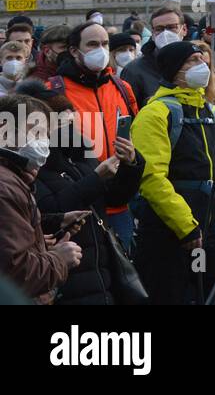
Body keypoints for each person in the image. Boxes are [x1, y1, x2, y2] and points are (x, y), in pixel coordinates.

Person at [131, 41, 215, 305]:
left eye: (202, 60)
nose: (201, 66)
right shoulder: (155, 114)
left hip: (213, 231)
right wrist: (187, 228)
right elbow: (152, 178)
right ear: (174, 70)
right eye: (192, 61)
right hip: (171, 235)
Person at [20, 78, 143, 305]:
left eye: (71, 120)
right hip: (65, 276)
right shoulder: (33, 164)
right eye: (60, 122)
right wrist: (97, 178)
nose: (69, 129)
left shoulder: (80, 154)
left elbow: (114, 198)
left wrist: (131, 165)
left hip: (100, 271)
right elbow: (50, 210)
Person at [48, 21, 139, 249]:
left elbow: (135, 137)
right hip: (80, 207)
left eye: (105, 43)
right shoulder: (54, 90)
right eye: (92, 44)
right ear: (74, 50)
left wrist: (132, 158)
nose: (100, 50)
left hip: (119, 205)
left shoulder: (121, 87)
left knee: (125, 275)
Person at [0, 94, 84, 303]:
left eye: (46, 134)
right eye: (35, 130)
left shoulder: (14, 177)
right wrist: (58, 258)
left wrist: (47, 231)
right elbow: (16, 272)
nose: (43, 141)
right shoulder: (5, 185)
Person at [120, 6, 187, 108]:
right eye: (159, 29)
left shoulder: (196, 64)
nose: (165, 33)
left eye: (171, 27)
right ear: (152, 33)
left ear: (184, 29)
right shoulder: (134, 71)